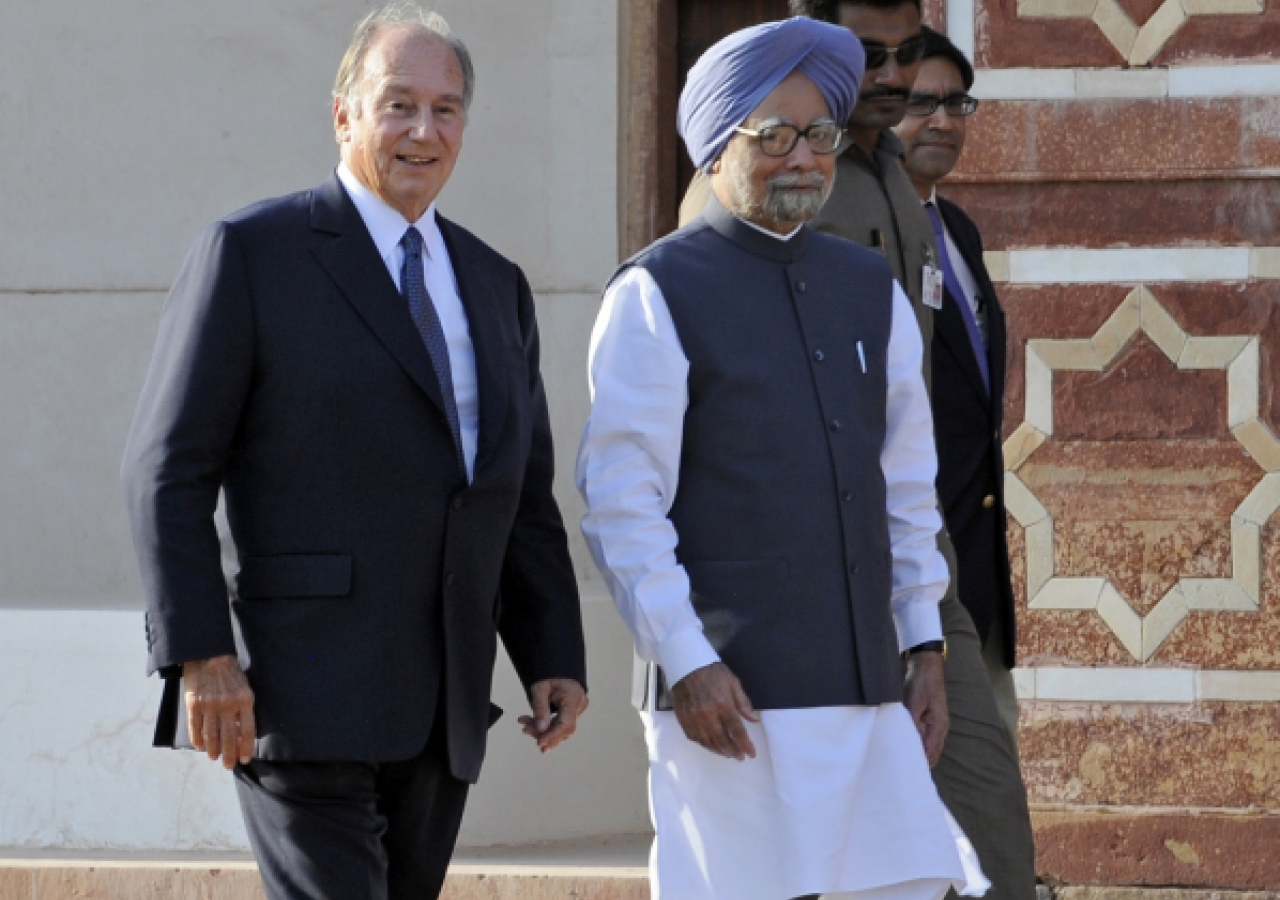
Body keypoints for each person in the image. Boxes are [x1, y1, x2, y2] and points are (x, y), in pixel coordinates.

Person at [121, 5, 587, 899]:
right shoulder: (253, 254)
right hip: (295, 699)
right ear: (343, 114)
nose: (424, 130)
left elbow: (517, 491)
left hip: (442, 706)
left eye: (446, 109)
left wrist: (552, 650)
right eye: (398, 104)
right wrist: (200, 654)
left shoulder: (495, 284)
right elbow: (167, 469)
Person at [578, 18, 987, 900]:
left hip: (870, 689)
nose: (803, 157)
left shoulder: (865, 288)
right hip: (730, 701)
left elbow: (906, 488)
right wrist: (687, 660)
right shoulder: (655, 293)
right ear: (719, 147)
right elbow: (621, 504)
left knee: (904, 885)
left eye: (819, 135)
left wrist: (923, 648)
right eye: (775, 137)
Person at [680, 5, 1038, 900]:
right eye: (870, 58)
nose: (890, 77)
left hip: (914, 564)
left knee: (978, 826)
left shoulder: (894, 179)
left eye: (902, 56)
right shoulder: (760, 190)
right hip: (799, 583)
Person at [894, 27, 1018, 742]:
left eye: (955, 103)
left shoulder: (958, 230)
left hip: (975, 576)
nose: (941, 120)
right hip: (908, 588)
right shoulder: (854, 237)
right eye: (920, 103)